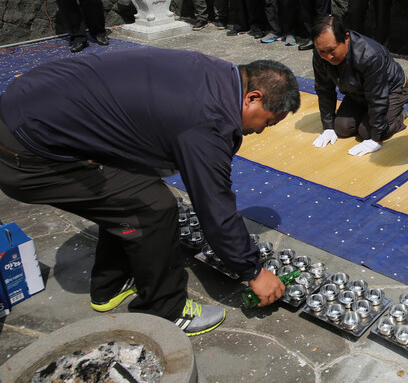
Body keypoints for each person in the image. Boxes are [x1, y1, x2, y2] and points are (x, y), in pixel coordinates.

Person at [0, 49, 300, 335]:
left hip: (31, 103)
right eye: (268, 121)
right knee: (154, 207)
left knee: (124, 193)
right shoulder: (210, 118)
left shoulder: (216, 73)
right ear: (253, 97)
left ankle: (111, 284)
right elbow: (213, 206)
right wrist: (253, 272)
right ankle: (166, 309)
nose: (261, 131)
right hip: (27, 153)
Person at [311, 15, 408, 156]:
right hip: (357, 91)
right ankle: (367, 116)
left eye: (332, 50)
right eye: (322, 51)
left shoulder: (369, 55)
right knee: (341, 128)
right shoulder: (319, 55)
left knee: (368, 132)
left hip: (389, 90)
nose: (328, 57)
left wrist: (377, 139)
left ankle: (399, 114)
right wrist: (327, 127)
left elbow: (377, 97)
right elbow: (324, 90)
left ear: (346, 38)